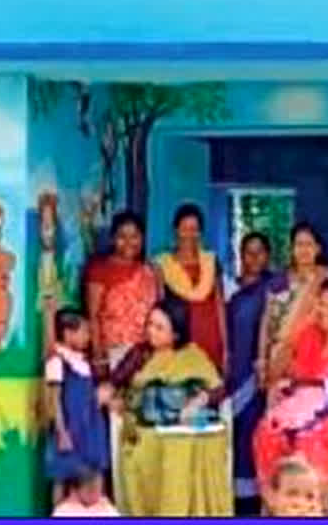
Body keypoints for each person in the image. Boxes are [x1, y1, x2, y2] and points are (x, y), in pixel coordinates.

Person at [109, 298, 232, 516]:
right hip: (145, 429)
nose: (151, 332)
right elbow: (114, 381)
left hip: (183, 428)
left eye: (159, 328)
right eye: (150, 324)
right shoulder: (140, 353)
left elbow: (219, 389)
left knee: (191, 447)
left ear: (176, 334)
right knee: (148, 450)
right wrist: (114, 397)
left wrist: (198, 401)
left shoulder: (193, 356)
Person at [253, 276, 328, 513]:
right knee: (266, 432)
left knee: (313, 438)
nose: (325, 312)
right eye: (321, 304)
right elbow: (279, 372)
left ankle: (316, 506)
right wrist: (298, 327)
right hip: (299, 406)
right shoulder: (308, 333)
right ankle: (278, 505)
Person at [227, 231, 275, 515]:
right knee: (234, 437)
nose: (254, 258)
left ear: (268, 256)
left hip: (260, 377)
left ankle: (256, 503)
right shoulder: (230, 290)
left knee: (254, 435)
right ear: (241, 256)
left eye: (260, 252)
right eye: (249, 252)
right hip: (232, 375)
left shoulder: (275, 287)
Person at [256, 223, 328, 394]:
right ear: (291, 249)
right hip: (280, 358)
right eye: (299, 244)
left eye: (309, 244)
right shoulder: (278, 282)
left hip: (313, 356)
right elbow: (266, 322)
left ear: (318, 248)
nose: (304, 250)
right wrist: (262, 359)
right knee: (278, 405)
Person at [43, 308, 112, 504]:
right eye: (84, 332)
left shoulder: (82, 362)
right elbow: (54, 400)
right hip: (70, 429)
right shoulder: (57, 361)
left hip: (89, 428)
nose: (88, 337)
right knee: (61, 476)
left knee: (92, 473)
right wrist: (62, 433)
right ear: (68, 333)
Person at [84, 211, 159, 376]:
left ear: (142, 238)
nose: (129, 242)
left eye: (134, 236)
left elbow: (159, 311)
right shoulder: (100, 269)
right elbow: (93, 315)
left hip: (146, 352)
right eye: (122, 236)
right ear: (112, 239)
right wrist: (98, 355)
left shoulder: (149, 270)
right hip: (114, 352)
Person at [157, 203, 228, 374]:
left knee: (211, 385)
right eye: (184, 229)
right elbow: (160, 310)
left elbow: (219, 306)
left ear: (200, 232)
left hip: (210, 337)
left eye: (194, 229)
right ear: (176, 230)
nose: (189, 235)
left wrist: (226, 347)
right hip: (182, 340)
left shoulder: (211, 261)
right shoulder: (162, 265)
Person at [52, 466, 120, 517]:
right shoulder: (65, 510)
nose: (96, 495)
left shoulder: (105, 506)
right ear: (75, 490)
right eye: (91, 491)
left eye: (99, 490)